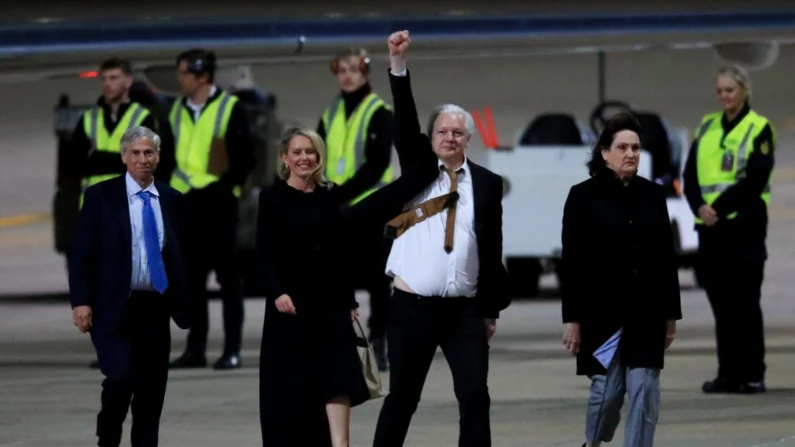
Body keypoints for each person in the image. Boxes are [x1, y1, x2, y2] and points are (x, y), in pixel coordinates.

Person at [371, 30, 511, 447]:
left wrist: (490, 309)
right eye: (442, 132)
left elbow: (492, 246)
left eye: (457, 132)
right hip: (412, 309)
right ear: (430, 140)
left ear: (469, 138)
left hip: (464, 313)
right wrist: (398, 66)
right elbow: (405, 117)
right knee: (403, 398)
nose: (450, 137)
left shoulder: (486, 184)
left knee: (474, 396)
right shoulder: (419, 170)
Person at [560, 113, 682, 447]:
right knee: (607, 393)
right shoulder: (581, 197)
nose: (631, 153)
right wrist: (571, 318)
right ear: (604, 152)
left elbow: (664, 260)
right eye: (623, 147)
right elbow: (571, 263)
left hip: (646, 314)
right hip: (601, 316)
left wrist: (670, 316)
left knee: (644, 391)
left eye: (636, 148)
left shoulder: (653, 196)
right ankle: (593, 443)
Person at [68, 126, 190, 447]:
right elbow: (81, 254)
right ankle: (108, 434)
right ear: (123, 157)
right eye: (135, 153)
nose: (142, 159)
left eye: (148, 152)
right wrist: (81, 301)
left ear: (159, 157)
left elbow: (181, 257)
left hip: (155, 308)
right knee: (121, 378)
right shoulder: (100, 197)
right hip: (114, 307)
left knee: (151, 393)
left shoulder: (172, 200)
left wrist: (185, 302)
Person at [683, 65, 774, 394]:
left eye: (730, 91)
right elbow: (690, 174)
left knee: (745, 303)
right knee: (721, 303)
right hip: (710, 230)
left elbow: (755, 181)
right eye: (720, 91)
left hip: (744, 226)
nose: (724, 96)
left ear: (744, 90)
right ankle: (728, 373)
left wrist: (717, 208)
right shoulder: (706, 126)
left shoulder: (758, 128)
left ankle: (752, 373)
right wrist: (699, 207)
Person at [165, 49, 255, 370]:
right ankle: (195, 348)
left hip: (218, 205)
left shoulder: (231, 109)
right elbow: (167, 157)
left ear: (202, 76)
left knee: (229, 281)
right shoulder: (176, 110)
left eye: (184, 73)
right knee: (191, 281)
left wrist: (222, 189)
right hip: (186, 204)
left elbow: (244, 159)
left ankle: (232, 349)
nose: (180, 79)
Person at [69, 57, 161, 370]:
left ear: (127, 82)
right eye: (104, 78)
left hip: (131, 204)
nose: (108, 84)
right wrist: (108, 162)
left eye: (113, 78)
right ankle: (108, 345)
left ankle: (130, 343)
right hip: (98, 207)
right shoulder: (90, 119)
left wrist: (103, 159)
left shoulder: (142, 116)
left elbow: (146, 160)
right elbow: (76, 162)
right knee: (101, 277)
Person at [317, 47, 395, 371]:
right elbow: (317, 155)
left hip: (372, 208)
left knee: (379, 280)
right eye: (342, 69)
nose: (347, 75)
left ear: (365, 72)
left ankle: (380, 340)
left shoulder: (379, 112)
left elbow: (376, 165)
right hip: (339, 210)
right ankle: (340, 340)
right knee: (335, 279)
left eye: (353, 69)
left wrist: (339, 194)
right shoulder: (330, 114)